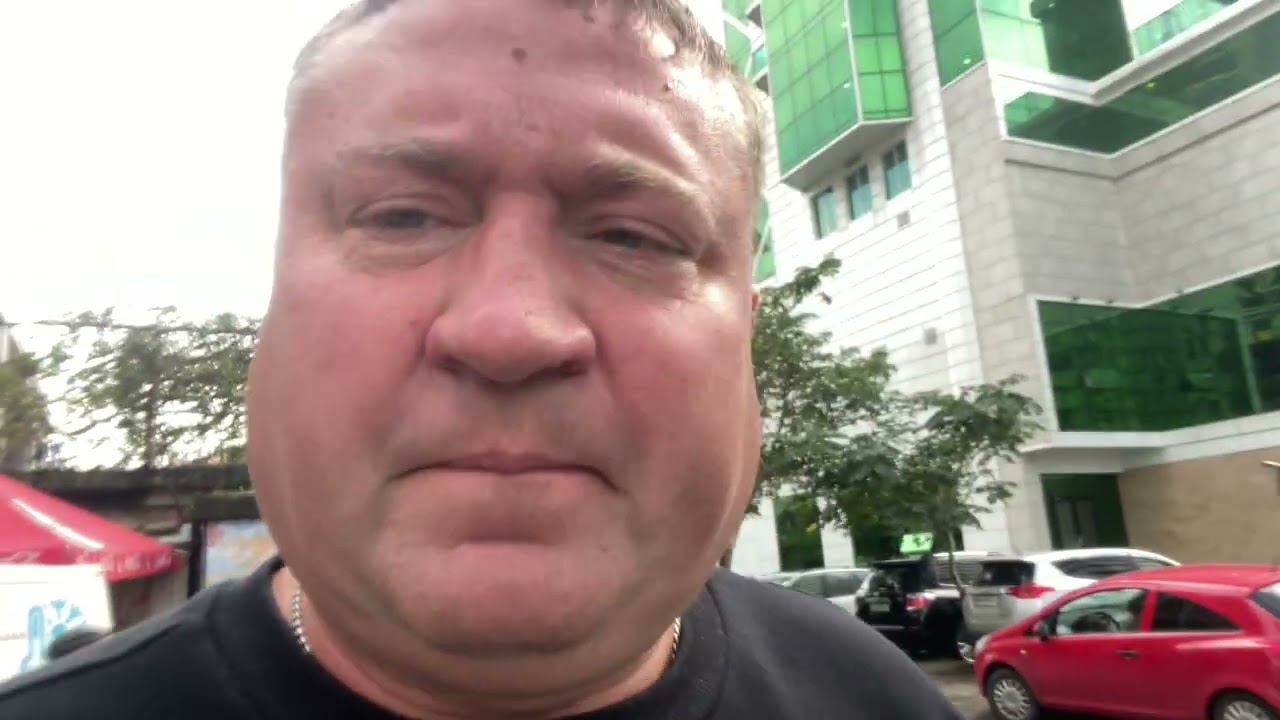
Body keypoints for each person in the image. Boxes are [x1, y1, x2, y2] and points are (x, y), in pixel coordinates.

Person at [0, 1, 963, 718]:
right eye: (403, 218)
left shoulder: (877, 698)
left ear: (745, 336)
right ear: (277, 306)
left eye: (632, 236)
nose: (510, 331)